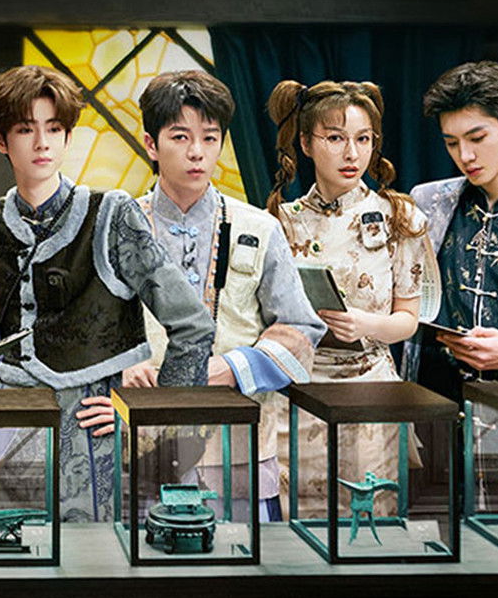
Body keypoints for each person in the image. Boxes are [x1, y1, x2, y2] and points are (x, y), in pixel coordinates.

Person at [0, 65, 215, 522]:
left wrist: (145, 413)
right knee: (10, 548)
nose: (42, 143)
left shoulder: (112, 215)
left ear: (67, 136)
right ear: (0, 140)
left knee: (91, 557)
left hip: (90, 430)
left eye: (54, 129)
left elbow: (193, 326)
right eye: (26, 129)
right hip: (5, 433)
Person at [78, 70, 324, 522]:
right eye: (180, 137)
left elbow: (302, 329)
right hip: (138, 443)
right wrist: (118, 372)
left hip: (240, 449)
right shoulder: (110, 230)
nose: (197, 152)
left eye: (210, 138)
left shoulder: (260, 228)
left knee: (245, 561)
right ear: (151, 145)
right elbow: (82, 332)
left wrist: (232, 368)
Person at [266, 79, 435, 514]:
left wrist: (365, 324)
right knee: (296, 523)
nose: (352, 154)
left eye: (363, 139)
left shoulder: (401, 217)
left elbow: (409, 319)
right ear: (306, 143)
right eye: (336, 139)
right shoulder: (280, 221)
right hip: (299, 389)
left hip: (370, 387)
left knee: (370, 521)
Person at [407, 61, 498, 395]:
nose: (465, 156)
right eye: (451, 143)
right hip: (432, 402)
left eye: (477, 138)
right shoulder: (427, 203)